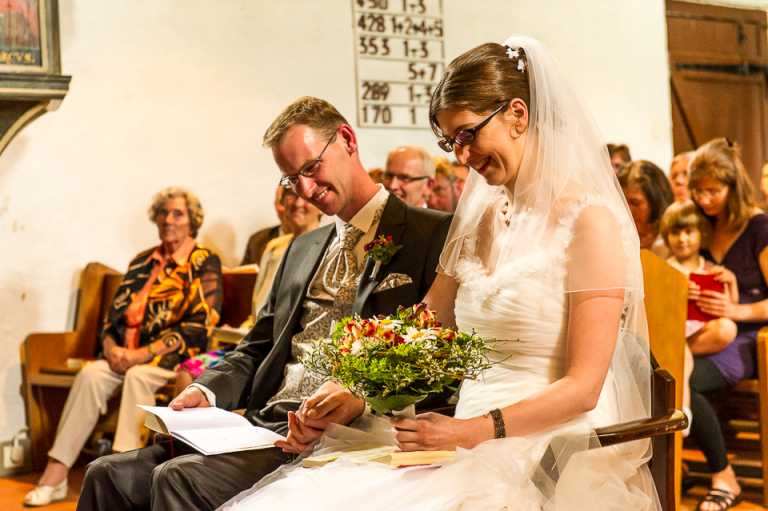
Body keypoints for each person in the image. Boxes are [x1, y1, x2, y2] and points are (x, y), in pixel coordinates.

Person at [220, 36, 658, 510]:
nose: (463, 157)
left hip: (550, 445)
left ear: (518, 113)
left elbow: (584, 388)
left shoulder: (589, 221)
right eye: (452, 142)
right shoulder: (481, 215)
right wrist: (354, 388)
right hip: (458, 435)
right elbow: (426, 320)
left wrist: (473, 431)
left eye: (469, 134)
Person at [77, 96, 452, 511]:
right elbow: (258, 345)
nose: (306, 190)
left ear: (347, 139)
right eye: (293, 180)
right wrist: (207, 389)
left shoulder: (430, 235)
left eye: (311, 168)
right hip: (266, 425)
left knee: (177, 479)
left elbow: (438, 353)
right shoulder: (302, 247)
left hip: (347, 433)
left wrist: (359, 394)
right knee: (106, 473)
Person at [25, 187, 223, 507]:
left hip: (168, 360)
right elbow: (111, 319)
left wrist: (141, 354)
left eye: (177, 214)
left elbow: (201, 325)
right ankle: (56, 472)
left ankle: (121, 474)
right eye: (163, 213)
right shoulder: (142, 261)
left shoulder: (203, 261)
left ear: (192, 221)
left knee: (139, 376)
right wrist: (110, 349)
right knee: (92, 375)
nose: (168, 220)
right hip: (123, 356)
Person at [175, 188, 324, 391]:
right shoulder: (273, 247)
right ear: (281, 202)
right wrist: (240, 329)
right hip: (254, 343)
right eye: (290, 195)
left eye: (304, 197)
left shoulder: (327, 248)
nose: (297, 203)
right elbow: (260, 305)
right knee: (188, 371)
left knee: (211, 382)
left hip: (288, 351)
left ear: (318, 203)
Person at [687, 138, 768, 510]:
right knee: (662, 374)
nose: (705, 200)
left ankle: (724, 477)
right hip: (702, 330)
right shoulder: (700, 226)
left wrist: (737, 311)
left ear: (733, 187)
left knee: (687, 381)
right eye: (698, 191)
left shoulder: (758, 226)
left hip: (749, 335)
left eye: (713, 191)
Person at [659, 201, 739, 441]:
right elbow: (659, 309)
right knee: (681, 354)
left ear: (700, 234)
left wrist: (731, 281)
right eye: (676, 232)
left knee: (728, 327)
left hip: (700, 331)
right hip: (674, 335)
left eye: (688, 232)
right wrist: (678, 293)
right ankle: (682, 411)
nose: (683, 239)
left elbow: (729, 305)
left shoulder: (711, 268)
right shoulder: (665, 268)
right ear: (667, 236)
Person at [618, 159, 674, 258]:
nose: (627, 210)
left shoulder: (674, 239)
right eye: (622, 202)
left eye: (635, 203)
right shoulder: (617, 238)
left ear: (655, 201)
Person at [240, 186, 287, 266]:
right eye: (281, 202)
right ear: (275, 205)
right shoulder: (257, 240)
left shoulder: (314, 241)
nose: (297, 205)